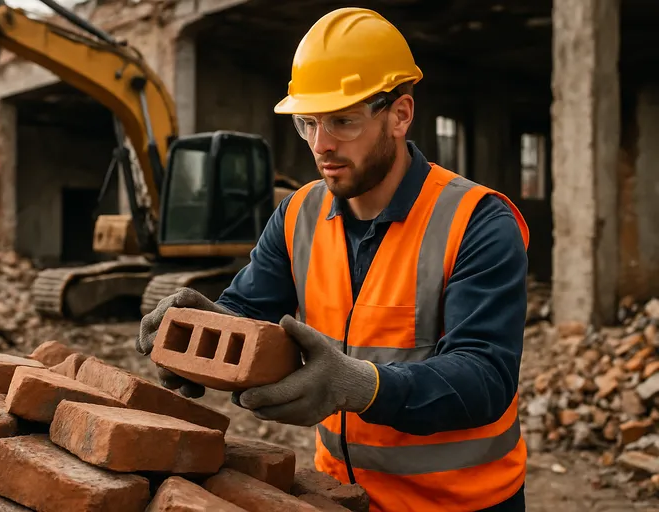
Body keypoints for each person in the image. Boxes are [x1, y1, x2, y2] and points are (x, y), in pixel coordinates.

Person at [136, 7, 529, 512]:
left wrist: (362, 385)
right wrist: (202, 334)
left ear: (400, 114)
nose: (322, 146)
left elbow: (485, 378)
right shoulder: (298, 213)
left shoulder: (478, 220)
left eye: (343, 121)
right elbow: (248, 312)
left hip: (463, 502)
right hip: (342, 496)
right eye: (308, 123)